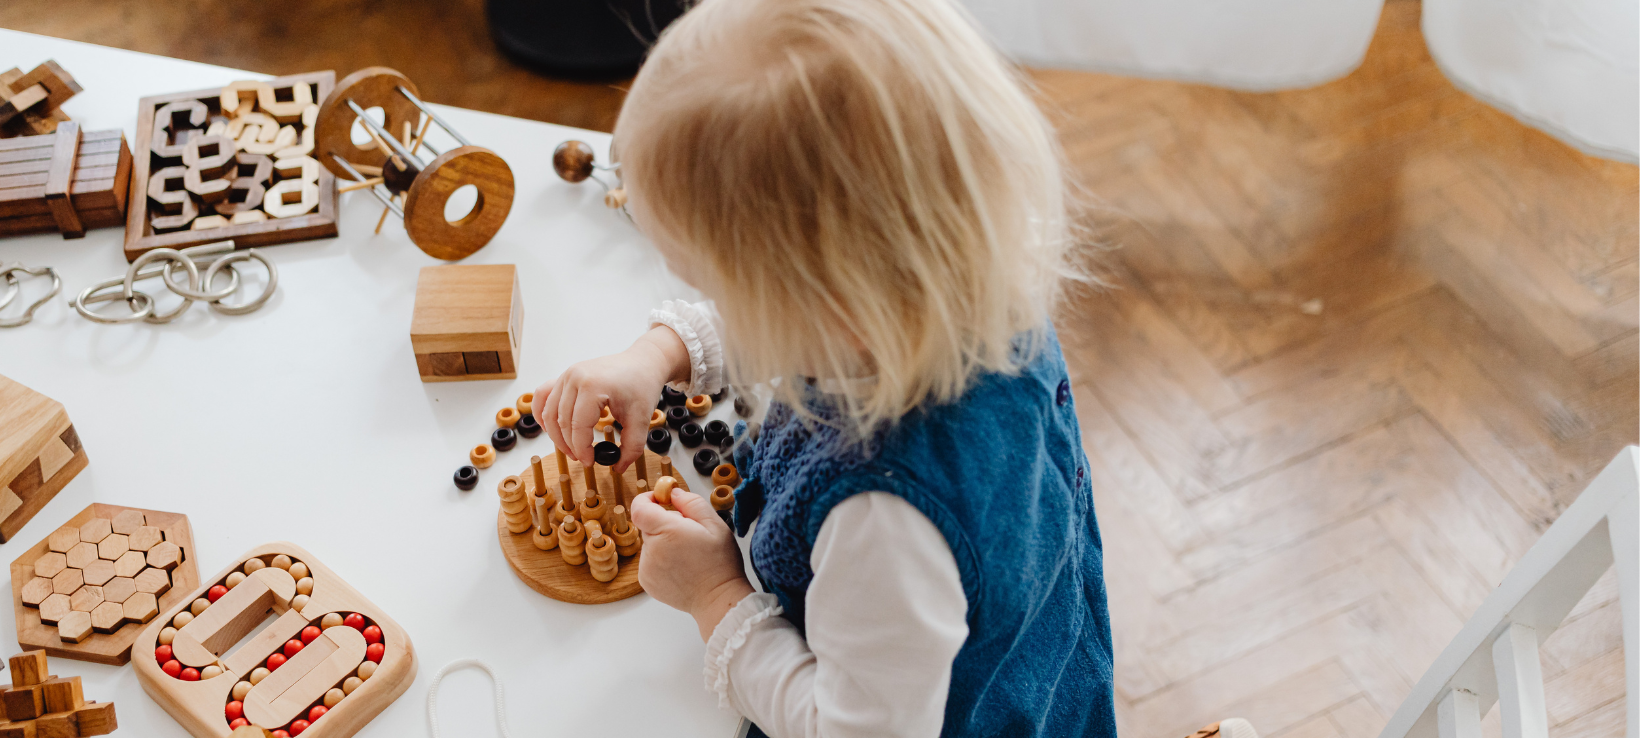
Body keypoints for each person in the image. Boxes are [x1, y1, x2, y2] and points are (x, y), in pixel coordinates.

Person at [532, 0, 1119, 735]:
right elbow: (809, 315)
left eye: (718, 289)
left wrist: (716, 596)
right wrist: (661, 352)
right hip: (1015, 650)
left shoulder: (883, 519)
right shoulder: (966, 274)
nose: (715, 304)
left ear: (810, 301)